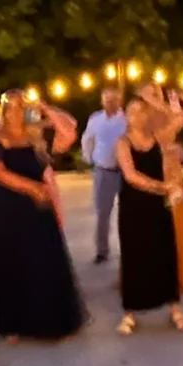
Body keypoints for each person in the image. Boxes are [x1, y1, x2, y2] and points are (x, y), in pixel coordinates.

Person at [0, 90, 85, 343]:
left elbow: (70, 130)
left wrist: (45, 107)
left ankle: (48, 322)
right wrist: (33, 188)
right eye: (11, 107)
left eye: (21, 106)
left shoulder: (35, 134)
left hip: (38, 208)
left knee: (43, 261)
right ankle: (13, 325)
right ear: (4, 111)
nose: (16, 112)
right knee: (11, 263)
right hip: (8, 208)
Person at [115, 88, 183, 335]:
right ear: (125, 117)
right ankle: (130, 313)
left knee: (165, 253)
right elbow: (131, 176)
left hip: (158, 206)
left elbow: (177, 118)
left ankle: (175, 308)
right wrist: (163, 187)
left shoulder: (159, 137)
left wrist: (152, 101)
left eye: (141, 112)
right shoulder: (122, 143)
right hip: (134, 207)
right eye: (132, 112)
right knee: (135, 256)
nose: (137, 116)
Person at [153, 89, 183, 291]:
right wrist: (166, 148)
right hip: (152, 168)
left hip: (172, 171)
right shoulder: (142, 117)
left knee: (177, 219)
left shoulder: (171, 114)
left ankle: (179, 273)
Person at [81, 88, 127, 264]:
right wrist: (90, 158)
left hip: (124, 172)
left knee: (127, 213)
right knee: (102, 213)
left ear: (120, 101)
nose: (110, 103)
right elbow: (87, 139)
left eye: (114, 100)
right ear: (102, 102)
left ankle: (128, 248)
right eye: (107, 100)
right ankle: (102, 250)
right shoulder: (96, 119)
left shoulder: (126, 120)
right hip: (103, 171)